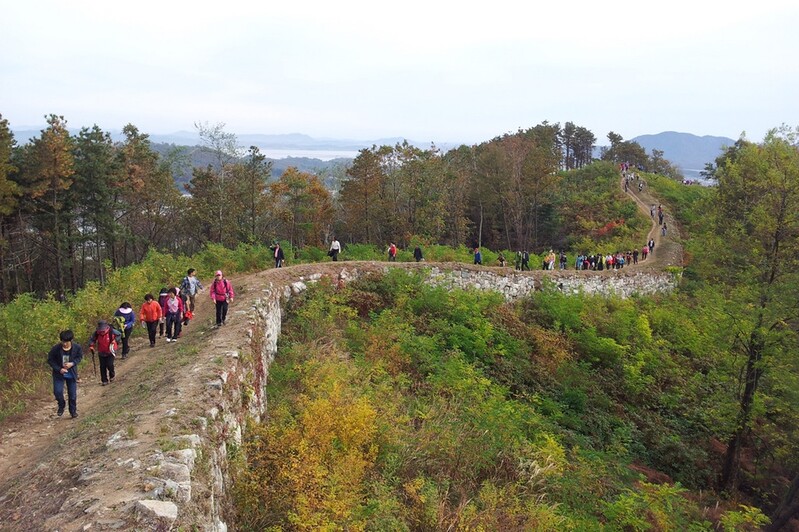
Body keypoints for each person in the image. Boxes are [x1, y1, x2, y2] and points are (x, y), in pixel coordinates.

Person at [47, 330, 83, 418]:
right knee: (57, 392)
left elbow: (79, 357)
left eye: (66, 342)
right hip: (59, 374)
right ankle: (61, 404)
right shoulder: (56, 349)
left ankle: (73, 411)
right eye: (63, 341)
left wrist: (72, 363)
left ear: (71, 340)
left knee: (72, 395)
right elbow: (50, 360)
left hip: (71, 373)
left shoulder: (77, 347)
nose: (64, 344)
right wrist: (59, 369)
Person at [89, 320, 121, 386]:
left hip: (111, 350)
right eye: (101, 330)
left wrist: (115, 340)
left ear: (106, 327)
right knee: (102, 366)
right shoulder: (97, 333)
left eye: (103, 330)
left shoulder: (112, 331)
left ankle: (112, 376)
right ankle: (104, 380)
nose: (102, 332)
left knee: (110, 364)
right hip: (101, 351)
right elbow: (92, 339)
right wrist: (91, 346)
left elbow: (119, 334)